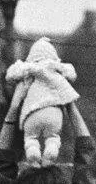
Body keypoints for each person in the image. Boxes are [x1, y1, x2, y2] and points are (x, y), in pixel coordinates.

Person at [5, 37, 79, 166]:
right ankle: (51, 151)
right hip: (53, 111)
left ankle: (33, 152)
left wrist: (24, 70)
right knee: (53, 137)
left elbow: (11, 74)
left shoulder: (28, 68)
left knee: (30, 138)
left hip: (31, 112)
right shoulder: (56, 67)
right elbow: (71, 74)